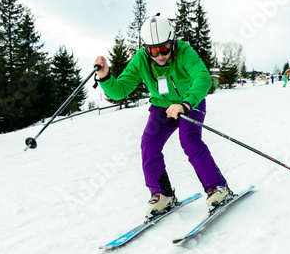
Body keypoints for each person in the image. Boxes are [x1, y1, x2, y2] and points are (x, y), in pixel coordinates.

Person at [93, 13, 229, 218]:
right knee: (149, 143)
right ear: (146, 49)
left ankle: (217, 188)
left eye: (164, 49)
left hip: (189, 101)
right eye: (153, 51)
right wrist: (104, 76)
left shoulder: (184, 51)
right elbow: (120, 91)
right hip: (162, 107)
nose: (159, 55)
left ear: (172, 42)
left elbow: (203, 78)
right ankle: (161, 195)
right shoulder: (141, 60)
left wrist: (185, 103)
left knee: (189, 140)